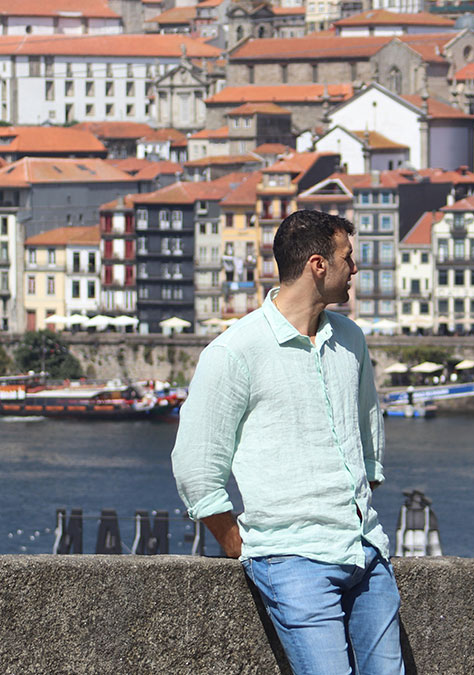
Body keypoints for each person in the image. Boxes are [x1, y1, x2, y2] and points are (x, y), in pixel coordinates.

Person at [172, 210, 403, 674]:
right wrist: (241, 543)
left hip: (363, 549)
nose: (354, 268)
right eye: (347, 257)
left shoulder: (351, 339)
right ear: (319, 265)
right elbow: (197, 465)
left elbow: (368, 439)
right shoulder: (235, 350)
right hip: (292, 560)